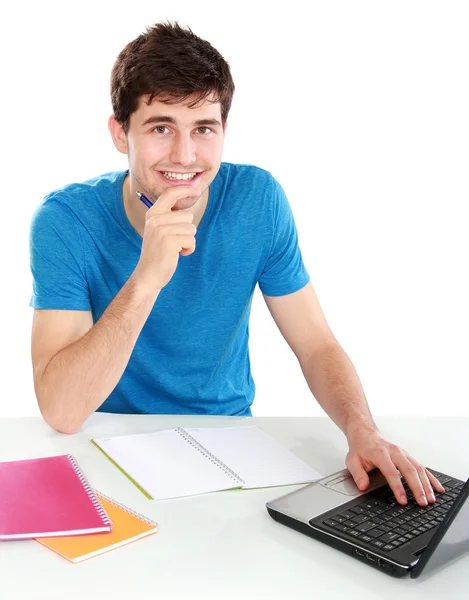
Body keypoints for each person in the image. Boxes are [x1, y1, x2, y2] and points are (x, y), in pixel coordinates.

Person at [29, 21, 443, 507]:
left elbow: (315, 345)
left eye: (203, 129)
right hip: (107, 443)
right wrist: (147, 278)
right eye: (161, 127)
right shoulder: (64, 221)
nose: (185, 155)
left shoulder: (257, 200)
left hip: (230, 444)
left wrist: (361, 429)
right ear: (120, 133)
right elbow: (62, 411)